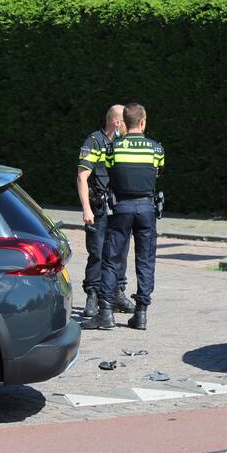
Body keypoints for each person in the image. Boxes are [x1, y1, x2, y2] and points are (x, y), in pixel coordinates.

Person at [83, 103, 165, 331]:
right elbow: (157, 171)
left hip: (121, 209)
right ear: (143, 122)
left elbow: (110, 171)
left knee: (111, 259)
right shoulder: (156, 149)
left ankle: (106, 313)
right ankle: (141, 315)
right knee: (145, 261)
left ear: (124, 123)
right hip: (147, 209)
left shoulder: (113, 148)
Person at [76, 106, 135, 318]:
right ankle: (93, 294)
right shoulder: (94, 142)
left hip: (121, 208)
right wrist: (86, 209)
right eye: (127, 123)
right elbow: (82, 177)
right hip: (99, 208)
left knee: (120, 251)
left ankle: (117, 292)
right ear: (117, 123)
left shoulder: (125, 145)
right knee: (97, 253)